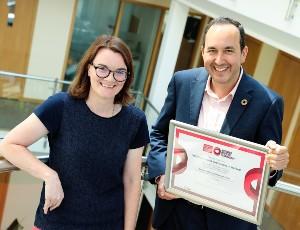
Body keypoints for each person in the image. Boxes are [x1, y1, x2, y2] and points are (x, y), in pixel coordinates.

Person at [147, 17, 289, 230]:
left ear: (244, 53)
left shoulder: (268, 102)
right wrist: (161, 174)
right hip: (175, 213)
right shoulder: (182, 82)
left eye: (229, 50)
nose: (219, 59)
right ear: (203, 51)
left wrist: (274, 164)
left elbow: (269, 171)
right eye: (212, 50)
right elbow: (159, 133)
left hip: (226, 223)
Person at [0, 35, 149, 230]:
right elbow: (9, 144)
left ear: (127, 76)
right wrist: (48, 174)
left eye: (120, 72)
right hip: (56, 224)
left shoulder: (135, 120)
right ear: (89, 68)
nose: (110, 78)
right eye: (102, 69)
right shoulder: (60, 106)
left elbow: (131, 181)